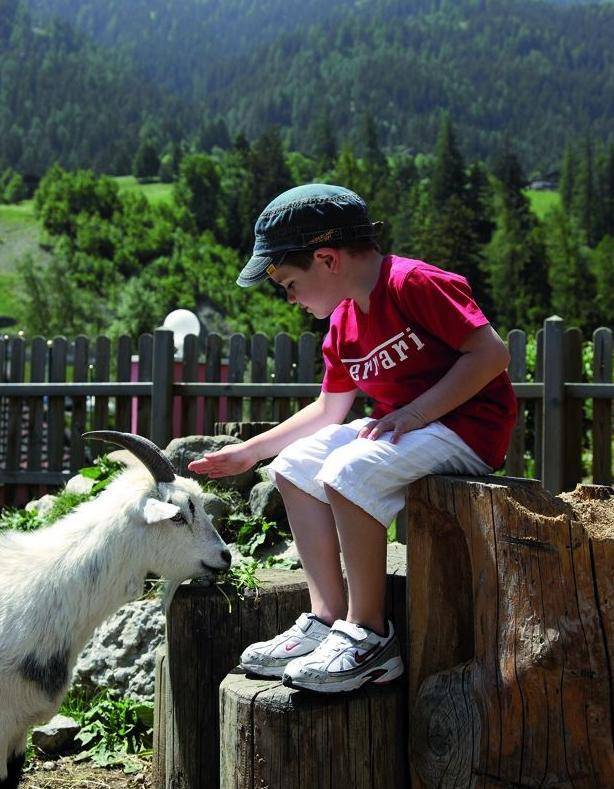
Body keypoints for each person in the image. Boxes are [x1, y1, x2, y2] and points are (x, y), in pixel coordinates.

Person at [188, 183, 517, 694]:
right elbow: (329, 410)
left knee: (347, 472)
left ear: (326, 258)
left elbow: (491, 354)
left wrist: (414, 412)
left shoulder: (413, 284)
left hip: (466, 430)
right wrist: (252, 452)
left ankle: (370, 638)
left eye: (289, 283)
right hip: (410, 426)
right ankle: (327, 619)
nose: (290, 297)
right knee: (293, 467)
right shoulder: (342, 323)